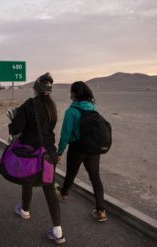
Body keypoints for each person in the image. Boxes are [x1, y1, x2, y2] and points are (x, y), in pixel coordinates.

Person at [9, 72, 66, 244]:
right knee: (48, 188)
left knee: (27, 179)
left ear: (35, 89)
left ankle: (25, 211)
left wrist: (13, 116)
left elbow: (15, 129)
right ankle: (57, 232)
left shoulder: (29, 105)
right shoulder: (52, 107)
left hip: (32, 154)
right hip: (49, 154)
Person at [56, 81, 107, 222]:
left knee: (71, 173)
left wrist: (59, 152)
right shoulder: (93, 108)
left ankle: (64, 193)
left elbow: (65, 134)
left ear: (75, 93)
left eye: (71, 91)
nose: (69, 94)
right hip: (93, 149)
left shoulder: (71, 111)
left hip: (77, 148)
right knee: (95, 177)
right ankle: (101, 211)